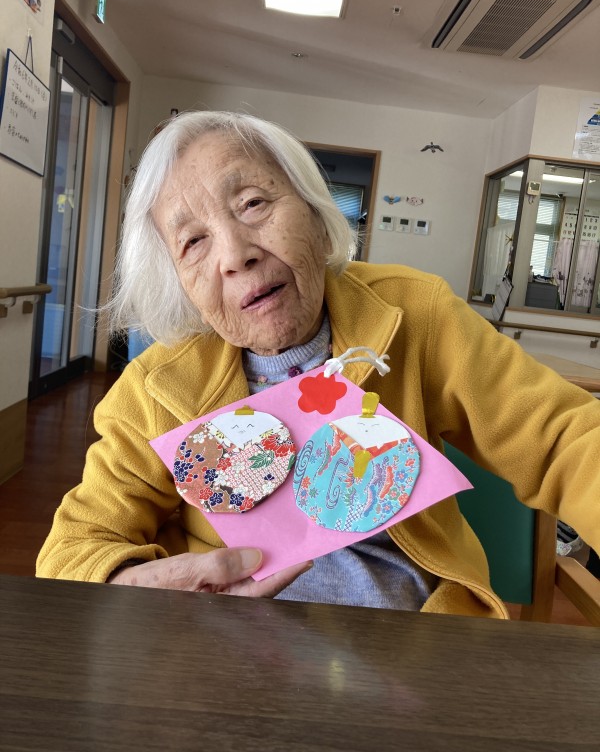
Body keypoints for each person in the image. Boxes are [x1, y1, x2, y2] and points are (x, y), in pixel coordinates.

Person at [36, 111, 600, 618]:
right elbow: (76, 545)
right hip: (227, 647)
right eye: (193, 241)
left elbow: (563, 441)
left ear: (313, 210)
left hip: (413, 642)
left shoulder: (417, 314)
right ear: (178, 280)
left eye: (253, 204)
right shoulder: (155, 388)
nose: (236, 255)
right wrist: (130, 585)